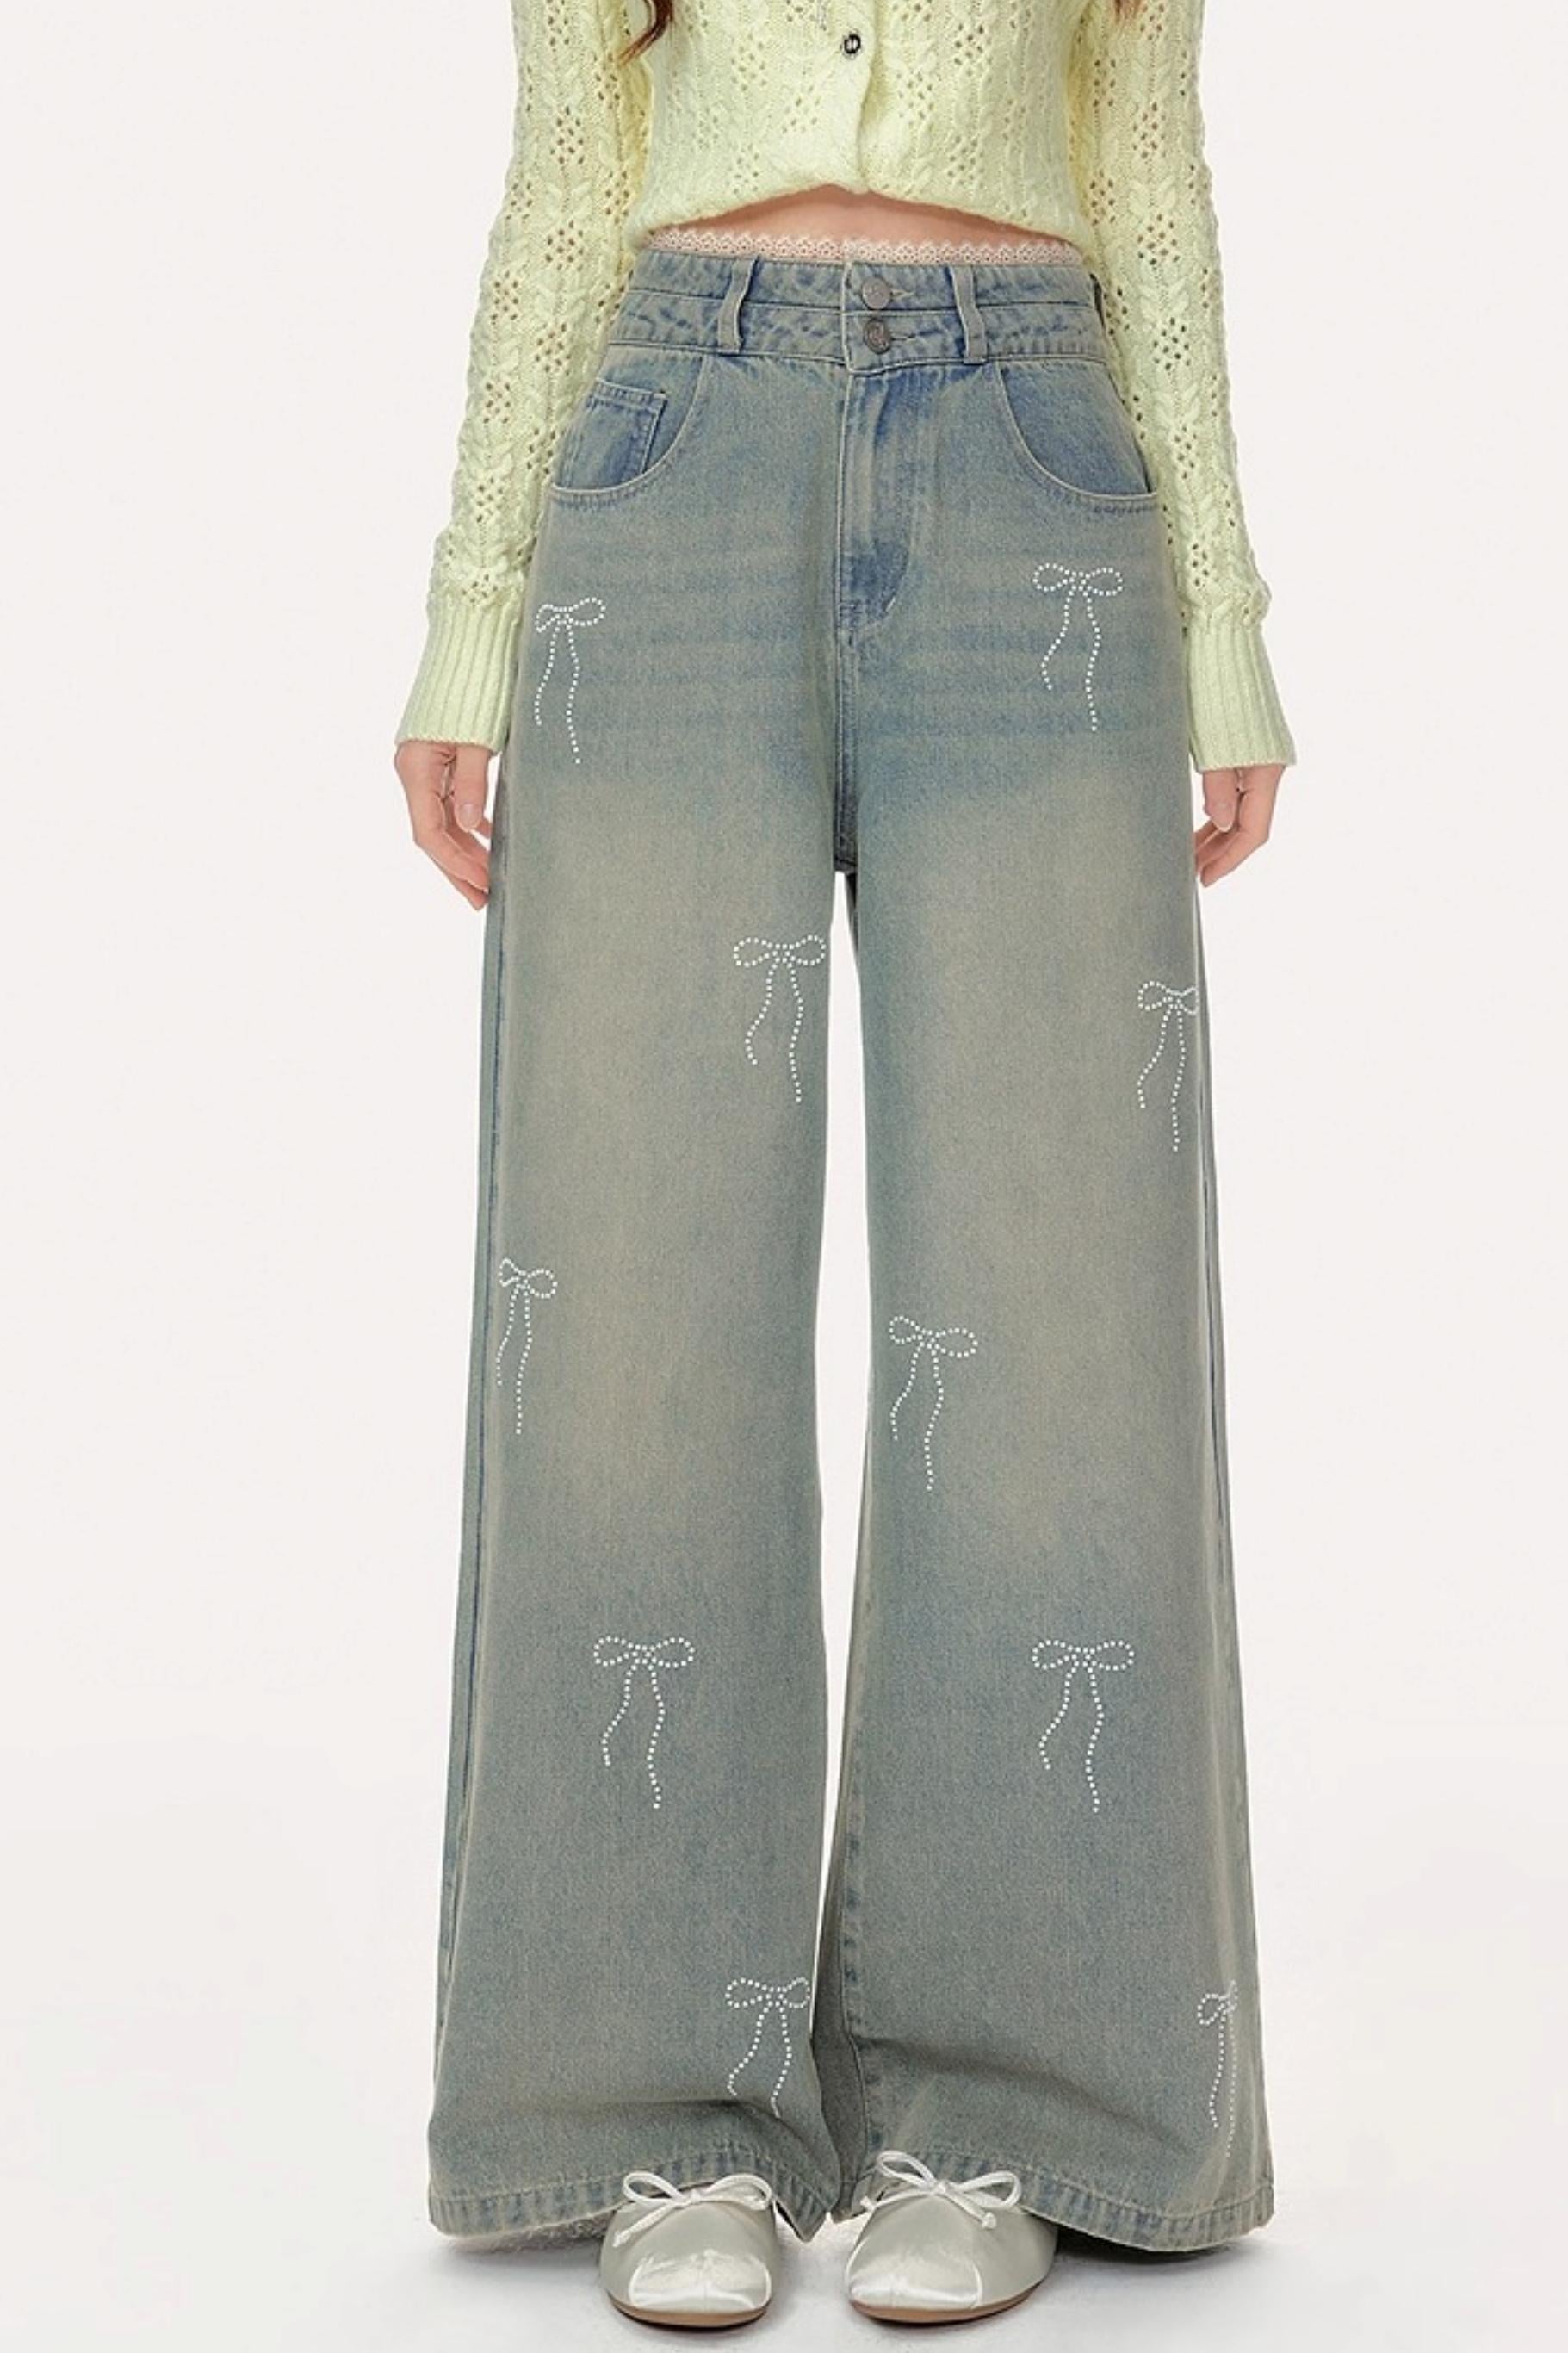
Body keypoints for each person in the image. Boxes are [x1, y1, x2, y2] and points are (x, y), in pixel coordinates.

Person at [392, 0, 1295, 2329]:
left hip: (1039, 455)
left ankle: (1023, 2103)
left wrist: (1221, 619)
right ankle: (642, 2108)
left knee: (1060, 1311)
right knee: (626, 1293)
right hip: (669, 455)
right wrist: (474, 607)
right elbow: (572, 173)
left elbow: (1151, 178)